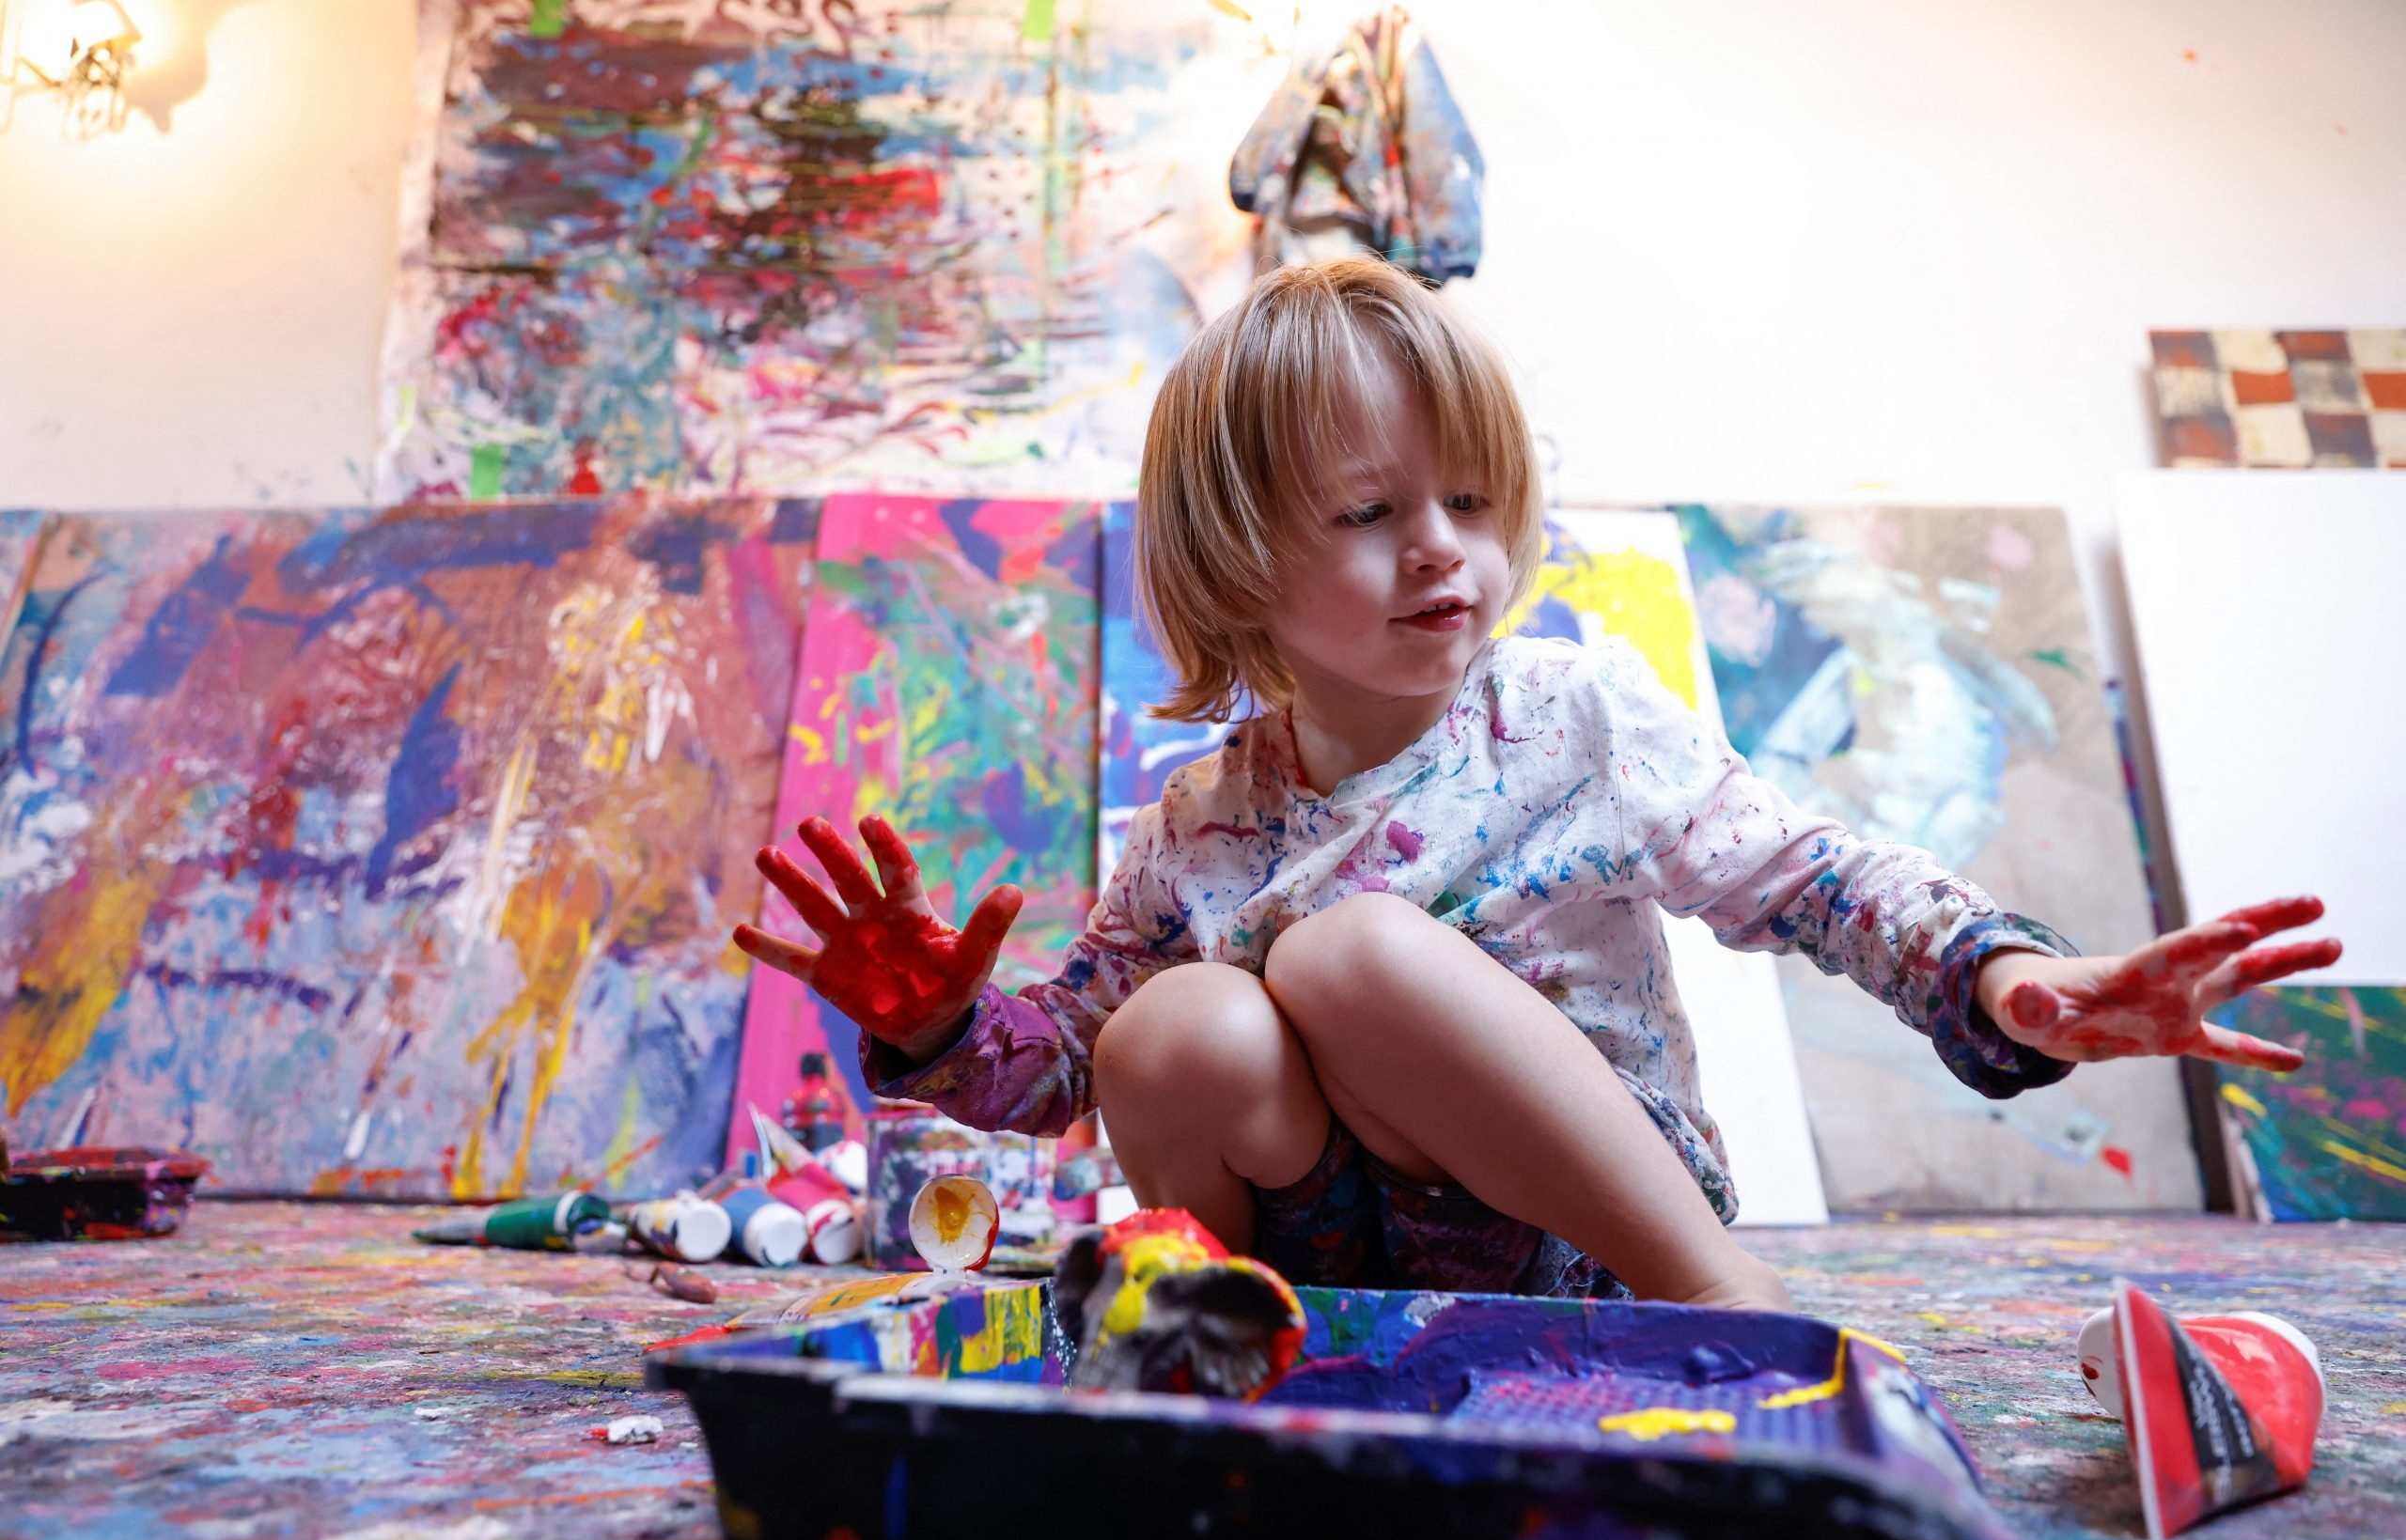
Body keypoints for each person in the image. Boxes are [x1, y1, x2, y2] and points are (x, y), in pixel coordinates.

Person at [733, 258, 2338, 1310]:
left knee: (1344, 951)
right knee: (1179, 1024)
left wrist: (2017, 980)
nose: (1446, 547)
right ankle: (1216, 1356)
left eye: (1475, 497)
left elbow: (1817, 879)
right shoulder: (1198, 827)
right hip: (1338, 1281)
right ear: (1237, 558)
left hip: (1598, 1256)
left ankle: (1732, 1320)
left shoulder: (1575, 716)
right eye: (1371, 511)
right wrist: (944, 1030)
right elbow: (1078, 1077)